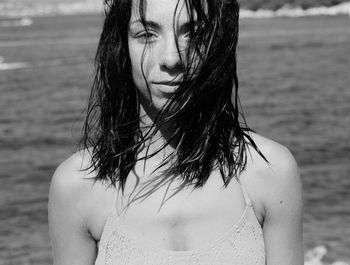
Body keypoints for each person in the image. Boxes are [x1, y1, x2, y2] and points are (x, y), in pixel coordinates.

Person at [48, 0, 303, 264]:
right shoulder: (77, 187)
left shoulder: (270, 172)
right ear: (122, 45)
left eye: (193, 33)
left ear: (218, 42)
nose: (171, 58)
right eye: (147, 34)